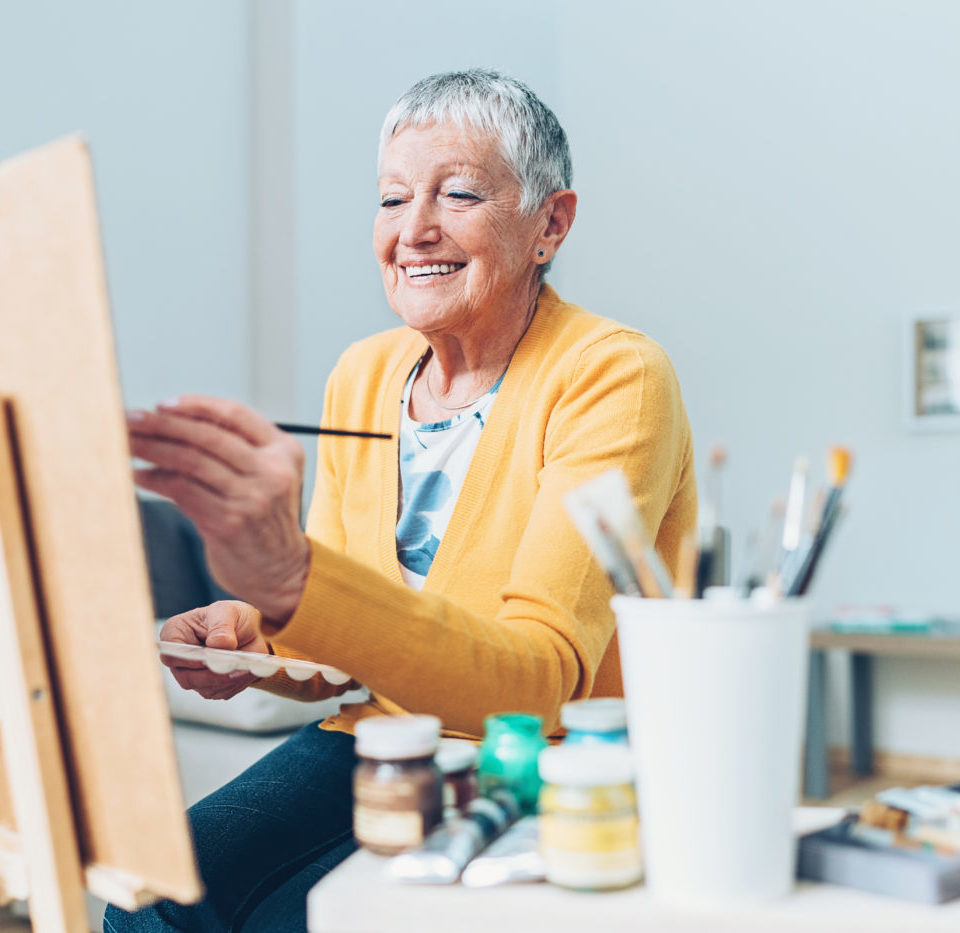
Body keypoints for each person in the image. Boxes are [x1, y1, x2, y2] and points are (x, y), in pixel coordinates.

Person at [105, 68, 696, 932]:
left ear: (550, 224)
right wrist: (256, 628)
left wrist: (293, 579)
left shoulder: (612, 375)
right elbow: (351, 635)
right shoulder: (364, 373)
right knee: (151, 903)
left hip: (532, 762)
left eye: (457, 194)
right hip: (370, 742)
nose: (414, 230)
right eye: (390, 198)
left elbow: (534, 685)